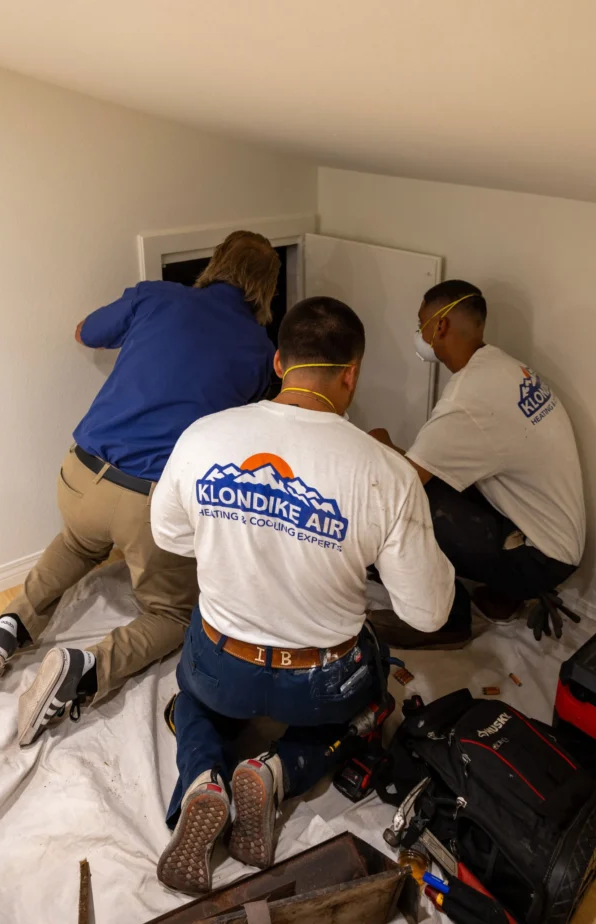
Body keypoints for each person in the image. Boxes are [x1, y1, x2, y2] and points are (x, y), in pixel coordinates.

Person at [149, 296, 456, 894]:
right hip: (319, 680)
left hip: (221, 662)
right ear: (352, 374)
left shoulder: (204, 435)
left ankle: (202, 782)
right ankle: (279, 769)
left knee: (191, 696)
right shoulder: (383, 472)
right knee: (375, 698)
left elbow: (169, 534)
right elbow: (427, 611)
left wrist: (239, 536)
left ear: (279, 361)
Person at [0, 230, 281, 747]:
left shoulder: (155, 295)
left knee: (75, 543)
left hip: (80, 475)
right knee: (173, 614)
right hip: (148, 505)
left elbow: (84, 332)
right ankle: (86, 670)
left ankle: (5, 630)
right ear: (265, 288)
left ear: (216, 262)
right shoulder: (259, 350)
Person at [369, 279, 586, 648]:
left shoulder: (467, 399)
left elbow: (403, 483)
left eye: (420, 323)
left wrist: (378, 442)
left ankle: (446, 622)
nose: (418, 333)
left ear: (439, 326)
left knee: (410, 505)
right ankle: (505, 594)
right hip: (555, 539)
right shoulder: (504, 367)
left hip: (540, 559)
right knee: (439, 480)